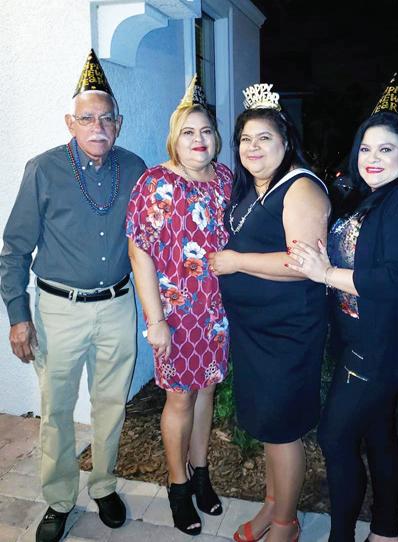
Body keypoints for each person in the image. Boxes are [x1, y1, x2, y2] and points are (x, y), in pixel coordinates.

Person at [0, 49, 147, 542]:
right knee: (58, 410)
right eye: (87, 118)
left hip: (118, 306)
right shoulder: (43, 169)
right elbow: (14, 249)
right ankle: (60, 499)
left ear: (118, 124)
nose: (97, 126)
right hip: (58, 310)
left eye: (106, 118)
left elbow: (151, 238)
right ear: (71, 122)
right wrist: (18, 316)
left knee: (111, 404)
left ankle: (103, 485)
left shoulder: (135, 168)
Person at [287, 76, 398, 542]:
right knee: (377, 431)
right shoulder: (369, 198)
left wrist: (326, 274)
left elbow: (396, 280)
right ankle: (386, 532)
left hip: (383, 346)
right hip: (363, 339)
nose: (372, 158)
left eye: (386, 149)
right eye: (366, 148)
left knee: (335, 437)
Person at [208, 83, 331, 542]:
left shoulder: (300, 188)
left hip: (287, 332)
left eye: (264, 138)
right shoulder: (253, 188)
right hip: (255, 330)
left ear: (286, 141)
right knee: (266, 424)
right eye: (245, 139)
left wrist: (237, 262)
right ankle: (272, 505)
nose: (253, 147)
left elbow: (303, 265)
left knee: (281, 430)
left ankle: (286, 524)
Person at [126, 75, 232, 536]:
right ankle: (177, 484)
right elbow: (140, 253)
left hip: (217, 313)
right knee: (180, 397)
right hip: (175, 315)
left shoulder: (226, 180)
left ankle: (201, 472)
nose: (198, 139)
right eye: (188, 132)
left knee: (207, 390)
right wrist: (155, 321)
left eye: (205, 130)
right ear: (175, 138)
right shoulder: (156, 183)